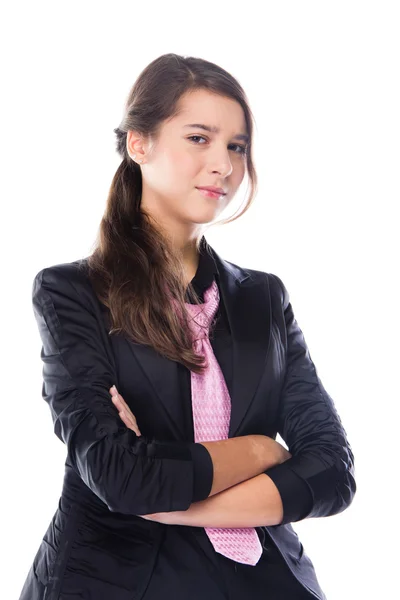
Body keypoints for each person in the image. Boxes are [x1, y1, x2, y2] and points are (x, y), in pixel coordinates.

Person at [19, 53, 356, 600]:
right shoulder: (73, 292)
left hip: (261, 579)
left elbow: (331, 473)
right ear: (139, 143)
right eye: (199, 138)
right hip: (116, 578)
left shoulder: (263, 298)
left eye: (236, 146)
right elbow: (117, 474)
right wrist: (260, 452)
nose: (223, 163)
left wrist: (173, 505)